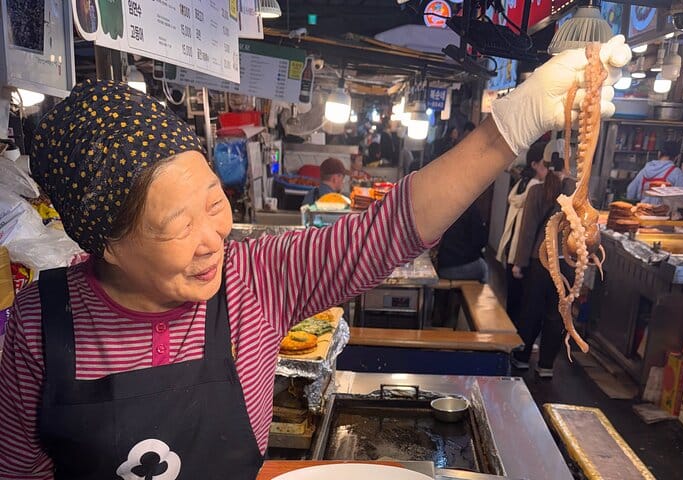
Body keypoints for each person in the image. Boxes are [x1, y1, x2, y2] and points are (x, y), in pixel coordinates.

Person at [0, 36, 630, 479]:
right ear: (105, 243)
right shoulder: (39, 324)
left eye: (213, 204)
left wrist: (509, 129)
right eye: (177, 224)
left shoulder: (254, 280)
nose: (212, 239)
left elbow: (383, 233)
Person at [511, 156, 576, 378]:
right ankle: (546, 365)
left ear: (545, 167)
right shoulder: (574, 194)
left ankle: (521, 358)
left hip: (540, 262)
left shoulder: (537, 192)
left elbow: (528, 231)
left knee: (530, 310)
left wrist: (519, 263)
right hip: (566, 263)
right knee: (556, 315)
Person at [496, 141, 549, 322]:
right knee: (522, 303)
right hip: (522, 252)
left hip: (511, 247)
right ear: (534, 165)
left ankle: (508, 339)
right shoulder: (536, 189)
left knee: (513, 299)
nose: (548, 169)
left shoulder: (521, 182)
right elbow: (529, 227)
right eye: (545, 164)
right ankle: (513, 342)